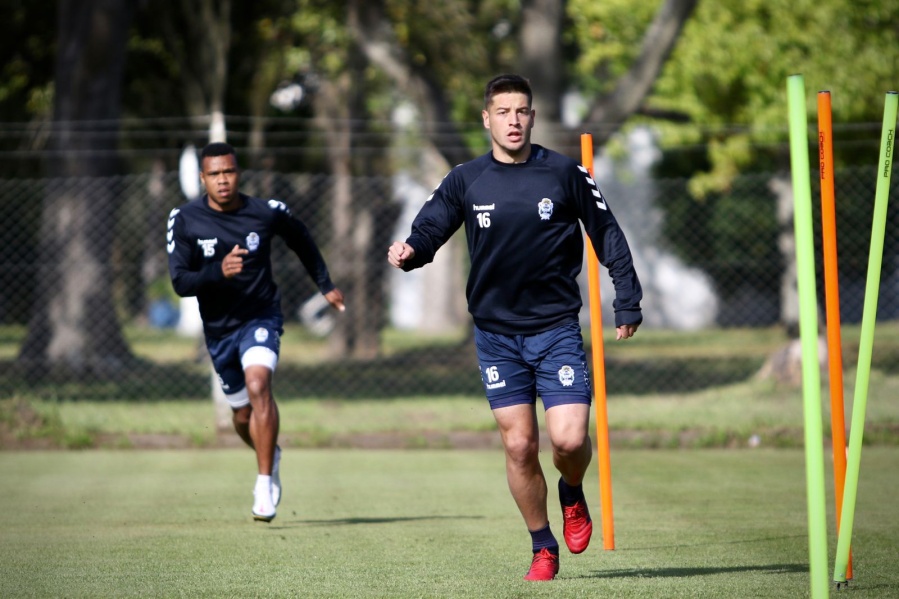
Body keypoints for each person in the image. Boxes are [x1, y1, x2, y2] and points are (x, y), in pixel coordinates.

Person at [387, 74, 642, 581]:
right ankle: (542, 545)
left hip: (555, 329)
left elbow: (606, 231)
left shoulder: (564, 173)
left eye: (522, 111)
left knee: (568, 441)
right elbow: (433, 224)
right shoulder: (467, 178)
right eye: (503, 112)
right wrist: (412, 251)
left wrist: (628, 299)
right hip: (496, 336)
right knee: (520, 446)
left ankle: (571, 491)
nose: (513, 120)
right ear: (487, 119)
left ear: (532, 117)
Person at [167, 142, 345, 522]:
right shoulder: (184, 219)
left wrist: (324, 284)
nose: (223, 180)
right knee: (242, 417)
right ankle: (270, 452)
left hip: (261, 317)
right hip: (219, 331)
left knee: (259, 383)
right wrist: (219, 272)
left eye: (228, 172)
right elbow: (180, 282)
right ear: (203, 179)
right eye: (214, 174)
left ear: (238, 172)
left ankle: (264, 482)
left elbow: (301, 239)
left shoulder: (265, 212)